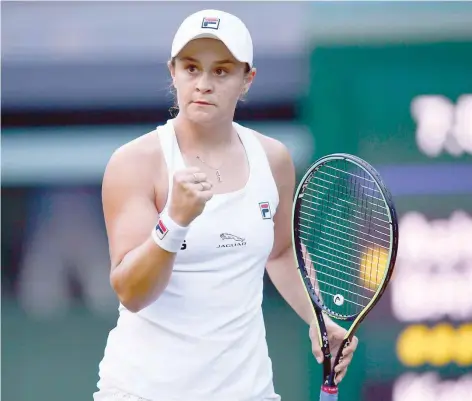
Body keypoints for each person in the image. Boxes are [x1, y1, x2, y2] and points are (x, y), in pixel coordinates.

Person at [94, 9, 358, 401]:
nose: (203, 83)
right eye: (190, 68)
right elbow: (131, 293)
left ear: (246, 79)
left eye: (221, 71)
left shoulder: (273, 159)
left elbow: (282, 253)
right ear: (173, 72)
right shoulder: (134, 163)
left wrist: (319, 321)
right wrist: (174, 222)